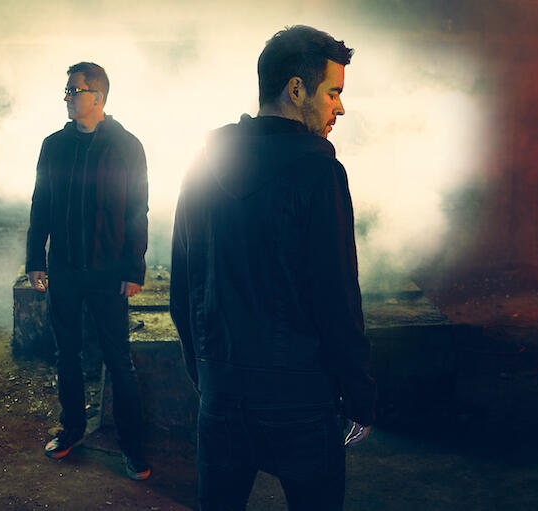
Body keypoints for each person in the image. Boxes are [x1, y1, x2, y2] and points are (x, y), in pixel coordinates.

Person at [169, 26, 376, 510]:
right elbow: (337, 297)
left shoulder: (202, 164)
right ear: (296, 89)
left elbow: (183, 286)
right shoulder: (320, 173)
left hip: (221, 393)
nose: (340, 108)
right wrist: (359, 395)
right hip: (300, 400)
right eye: (333, 93)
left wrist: (207, 375)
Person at [26, 61, 151, 480]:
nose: (66, 97)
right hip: (64, 268)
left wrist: (133, 268)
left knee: (118, 359)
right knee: (67, 354)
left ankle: (133, 447)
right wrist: (35, 259)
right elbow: (41, 203)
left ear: (96, 98)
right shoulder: (54, 145)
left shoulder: (127, 146)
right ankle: (72, 428)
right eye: (66, 91)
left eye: (73, 90)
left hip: (108, 272)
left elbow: (137, 210)